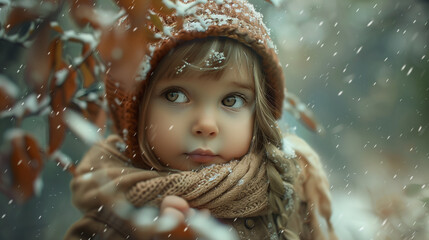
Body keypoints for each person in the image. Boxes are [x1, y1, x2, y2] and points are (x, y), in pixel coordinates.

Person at [65, 0, 337, 239]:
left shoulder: (286, 194)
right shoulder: (112, 220)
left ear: (259, 115)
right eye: (175, 96)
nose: (206, 125)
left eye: (232, 100)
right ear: (135, 113)